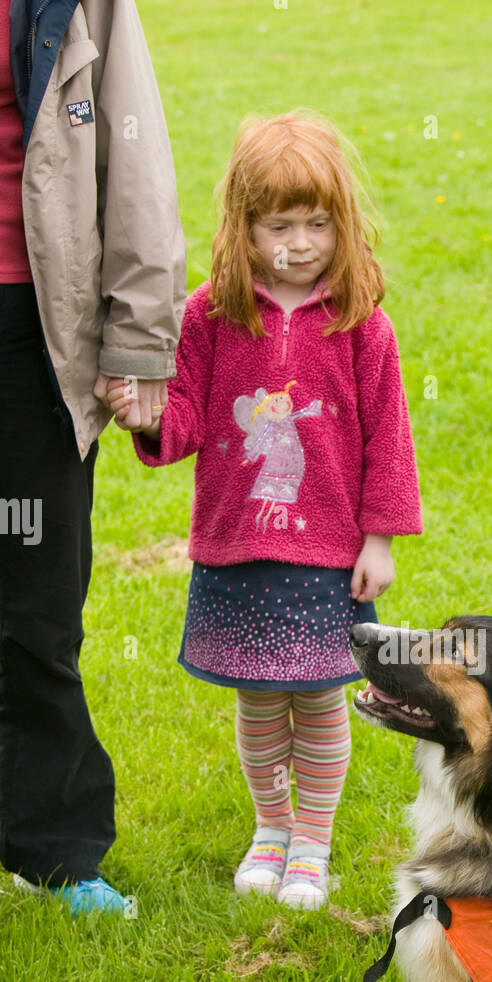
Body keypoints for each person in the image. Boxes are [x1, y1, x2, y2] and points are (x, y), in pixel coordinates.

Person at [107, 113, 422, 910]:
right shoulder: (210, 316)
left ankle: (312, 845)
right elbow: (182, 422)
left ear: (341, 223)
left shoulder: (361, 325)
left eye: (318, 223)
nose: (300, 241)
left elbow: (388, 438)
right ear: (243, 226)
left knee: (318, 701)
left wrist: (378, 538)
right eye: (279, 224)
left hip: (327, 554)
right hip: (235, 546)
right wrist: (146, 414)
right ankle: (270, 830)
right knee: (257, 700)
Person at [0, 0, 184, 914]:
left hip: (27, 332)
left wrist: (140, 342)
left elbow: (136, 154)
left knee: (37, 607)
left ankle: (56, 849)